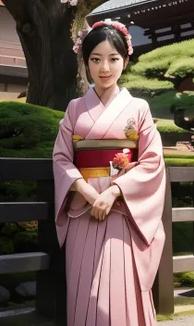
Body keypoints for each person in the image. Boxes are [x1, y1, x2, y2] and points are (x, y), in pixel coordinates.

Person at [53, 20, 166, 326]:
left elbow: (152, 160)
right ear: (85, 62)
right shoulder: (75, 109)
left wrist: (115, 191)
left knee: (122, 287)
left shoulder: (139, 108)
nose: (105, 67)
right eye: (96, 59)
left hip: (122, 209)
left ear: (125, 61)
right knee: (84, 287)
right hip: (84, 209)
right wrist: (88, 192)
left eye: (113, 59)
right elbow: (62, 157)